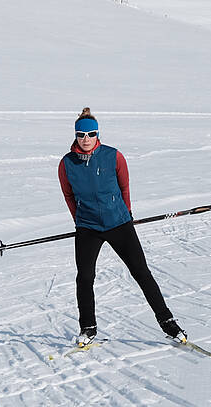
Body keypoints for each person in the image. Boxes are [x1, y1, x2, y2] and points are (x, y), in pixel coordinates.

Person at [58, 107, 186, 347]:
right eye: (80, 135)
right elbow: (68, 195)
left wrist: (126, 214)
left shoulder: (113, 156)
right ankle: (88, 328)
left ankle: (168, 322)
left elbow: (124, 187)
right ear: (75, 136)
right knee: (85, 278)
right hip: (87, 227)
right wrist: (80, 220)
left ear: (98, 134)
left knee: (141, 272)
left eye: (90, 134)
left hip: (119, 223)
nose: (86, 139)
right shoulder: (67, 164)